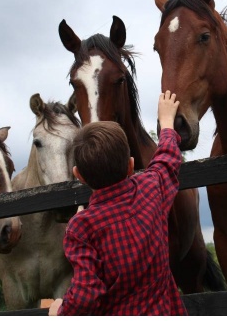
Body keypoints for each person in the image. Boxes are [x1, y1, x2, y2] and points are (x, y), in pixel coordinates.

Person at [49, 90, 188, 316]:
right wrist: (166, 124)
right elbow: (167, 159)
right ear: (131, 166)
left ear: (79, 175)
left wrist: (60, 311)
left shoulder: (81, 228)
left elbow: (85, 295)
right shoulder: (151, 189)